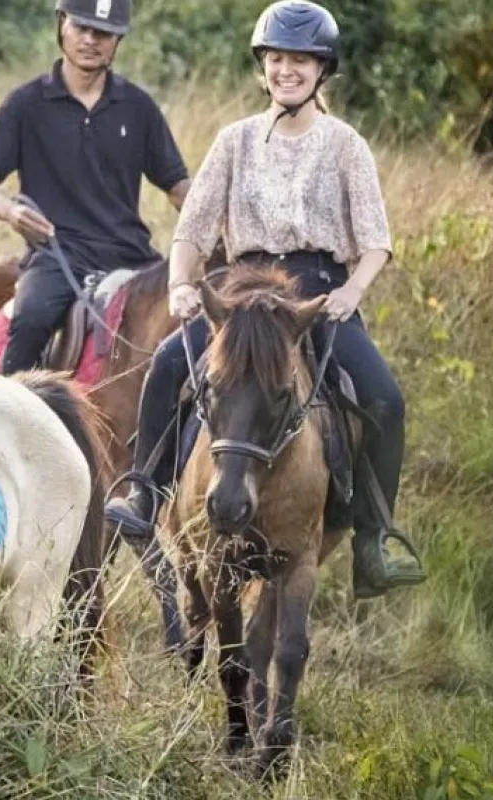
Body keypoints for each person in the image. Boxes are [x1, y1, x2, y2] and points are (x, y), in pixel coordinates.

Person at [103, 0, 426, 599]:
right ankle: (144, 492)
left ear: (322, 69)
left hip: (316, 296)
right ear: (263, 66)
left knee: (384, 398)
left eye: (300, 61)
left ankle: (373, 540)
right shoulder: (235, 140)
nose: (286, 71)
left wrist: (351, 291)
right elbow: (192, 230)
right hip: (244, 292)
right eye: (277, 59)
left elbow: (376, 242)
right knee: (169, 363)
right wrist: (180, 283)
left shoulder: (345, 145)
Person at [0, 0, 192, 375]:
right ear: (61, 25)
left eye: (102, 33)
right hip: (58, 256)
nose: (90, 40)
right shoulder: (26, 104)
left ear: (117, 40)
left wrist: (217, 222)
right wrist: (9, 210)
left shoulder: (139, 107)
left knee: (187, 327)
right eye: (81, 28)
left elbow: (178, 186)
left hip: (132, 254)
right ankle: (10, 399)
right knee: (32, 318)